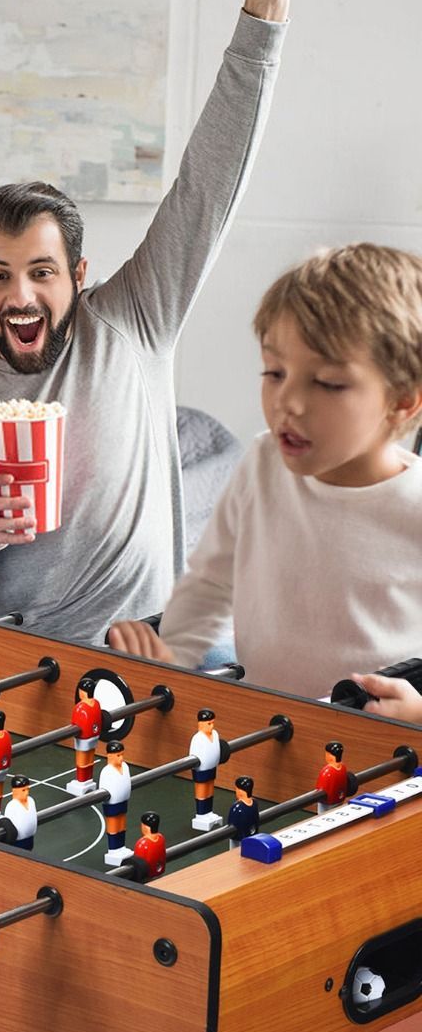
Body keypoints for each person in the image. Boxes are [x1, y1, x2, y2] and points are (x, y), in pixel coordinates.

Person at [0, 0, 291, 644]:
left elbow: (205, 187)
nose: (21, 295)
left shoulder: (132, 318)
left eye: (42, 272)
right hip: (27, 652)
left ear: (79, 276)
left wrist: (265, 8)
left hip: (159, 638)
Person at [110, 245, 422, 698]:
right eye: (275, 373)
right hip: (268, 727)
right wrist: (173, 649)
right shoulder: (262, 465)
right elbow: (212, 579)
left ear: (401, 401)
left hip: (380, 745)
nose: (287, 403)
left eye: (328, 383)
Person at [189, 709, 224, 831]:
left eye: (213, 723)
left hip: (212, 766)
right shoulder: (197, 738)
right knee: (202, 790)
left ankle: (209, 812)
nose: (212, 726)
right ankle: (201, 814)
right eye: (209, 723)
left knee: (210, 789)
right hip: (201, 769)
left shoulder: (215, 734)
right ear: (200, 724)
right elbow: (192, 756)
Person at [100, 741, 133, 865]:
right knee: (114, 825)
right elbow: (103, 788)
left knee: (122, 824)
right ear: (109, 755)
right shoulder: (106, 771)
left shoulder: (125, 767)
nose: (121, 758)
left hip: (123, 799)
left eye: (122, 754)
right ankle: (113, 849)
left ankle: (121, 847)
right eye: (118, 755)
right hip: (112, 803)